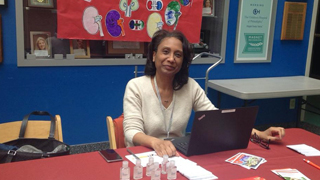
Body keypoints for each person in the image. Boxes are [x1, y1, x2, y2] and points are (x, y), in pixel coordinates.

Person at [123, 29, 285, 157]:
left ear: (183, 61)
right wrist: (155, 142)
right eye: (165, 52)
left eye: (178, 54)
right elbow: (131, 130)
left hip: (176, 155)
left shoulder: (190, 87)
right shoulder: (136, 86)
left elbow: (219, 119)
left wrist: (260, 134)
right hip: (144, 155)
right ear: (153, 55)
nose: (171, 58)